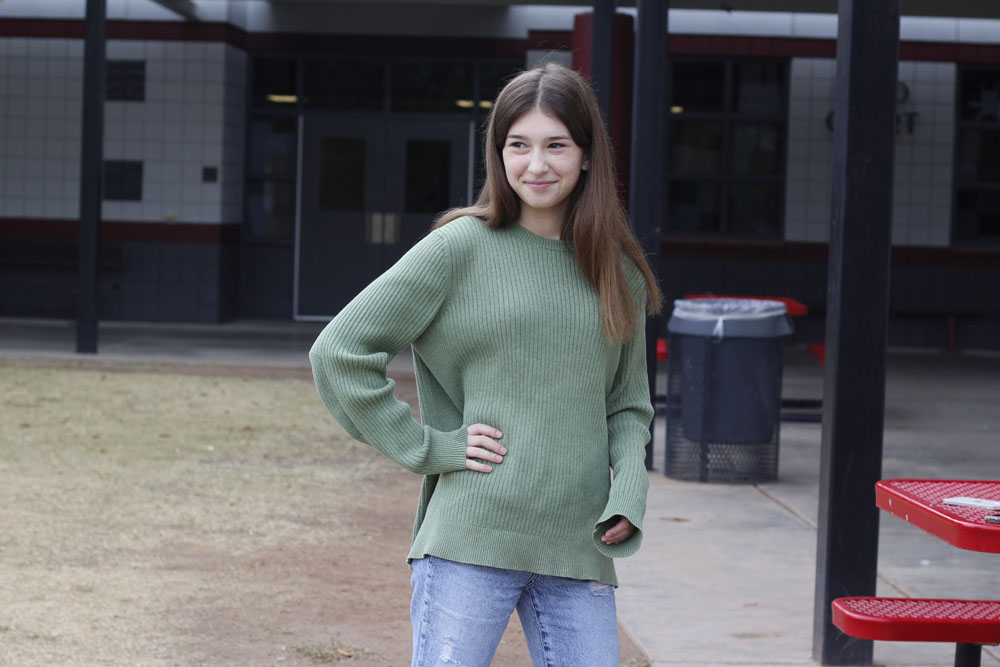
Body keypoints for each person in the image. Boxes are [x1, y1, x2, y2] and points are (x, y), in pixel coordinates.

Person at [309, 62, 662, 667]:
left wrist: (628, 491)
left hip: (578, 541)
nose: (537, 165)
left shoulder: (616, 271)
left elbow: (627, 403)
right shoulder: (457, 248)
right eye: (517, 145)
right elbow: (339, 352)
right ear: (498, 155)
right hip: (472, 535)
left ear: (586, 156)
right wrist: (428, 447)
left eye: (557, 145)